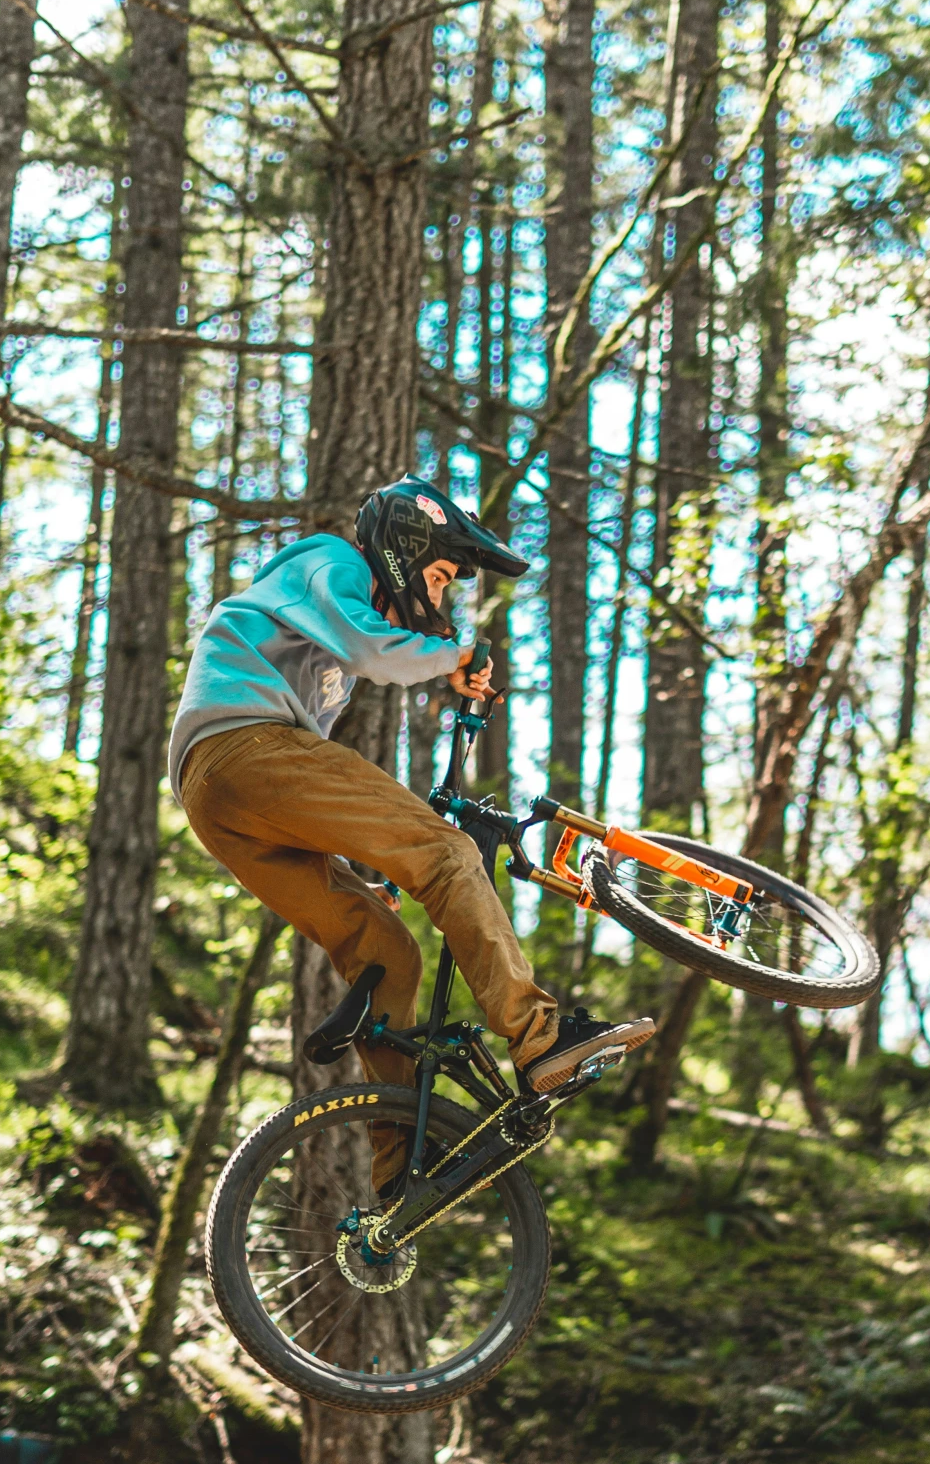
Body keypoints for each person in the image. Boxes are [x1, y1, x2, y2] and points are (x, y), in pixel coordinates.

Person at [168, 473, 654, 1182]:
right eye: (439, 574)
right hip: (244, 747)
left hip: (222, 800)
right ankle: (538, 1036)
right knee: (446, 852)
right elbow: (373, 653)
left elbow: (307, 776)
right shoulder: (331, 561)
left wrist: (357, 865)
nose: (440, 595)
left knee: (385, 952)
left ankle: (403, 1164)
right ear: (404, 545)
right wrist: (457, 658)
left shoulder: (319, 617)